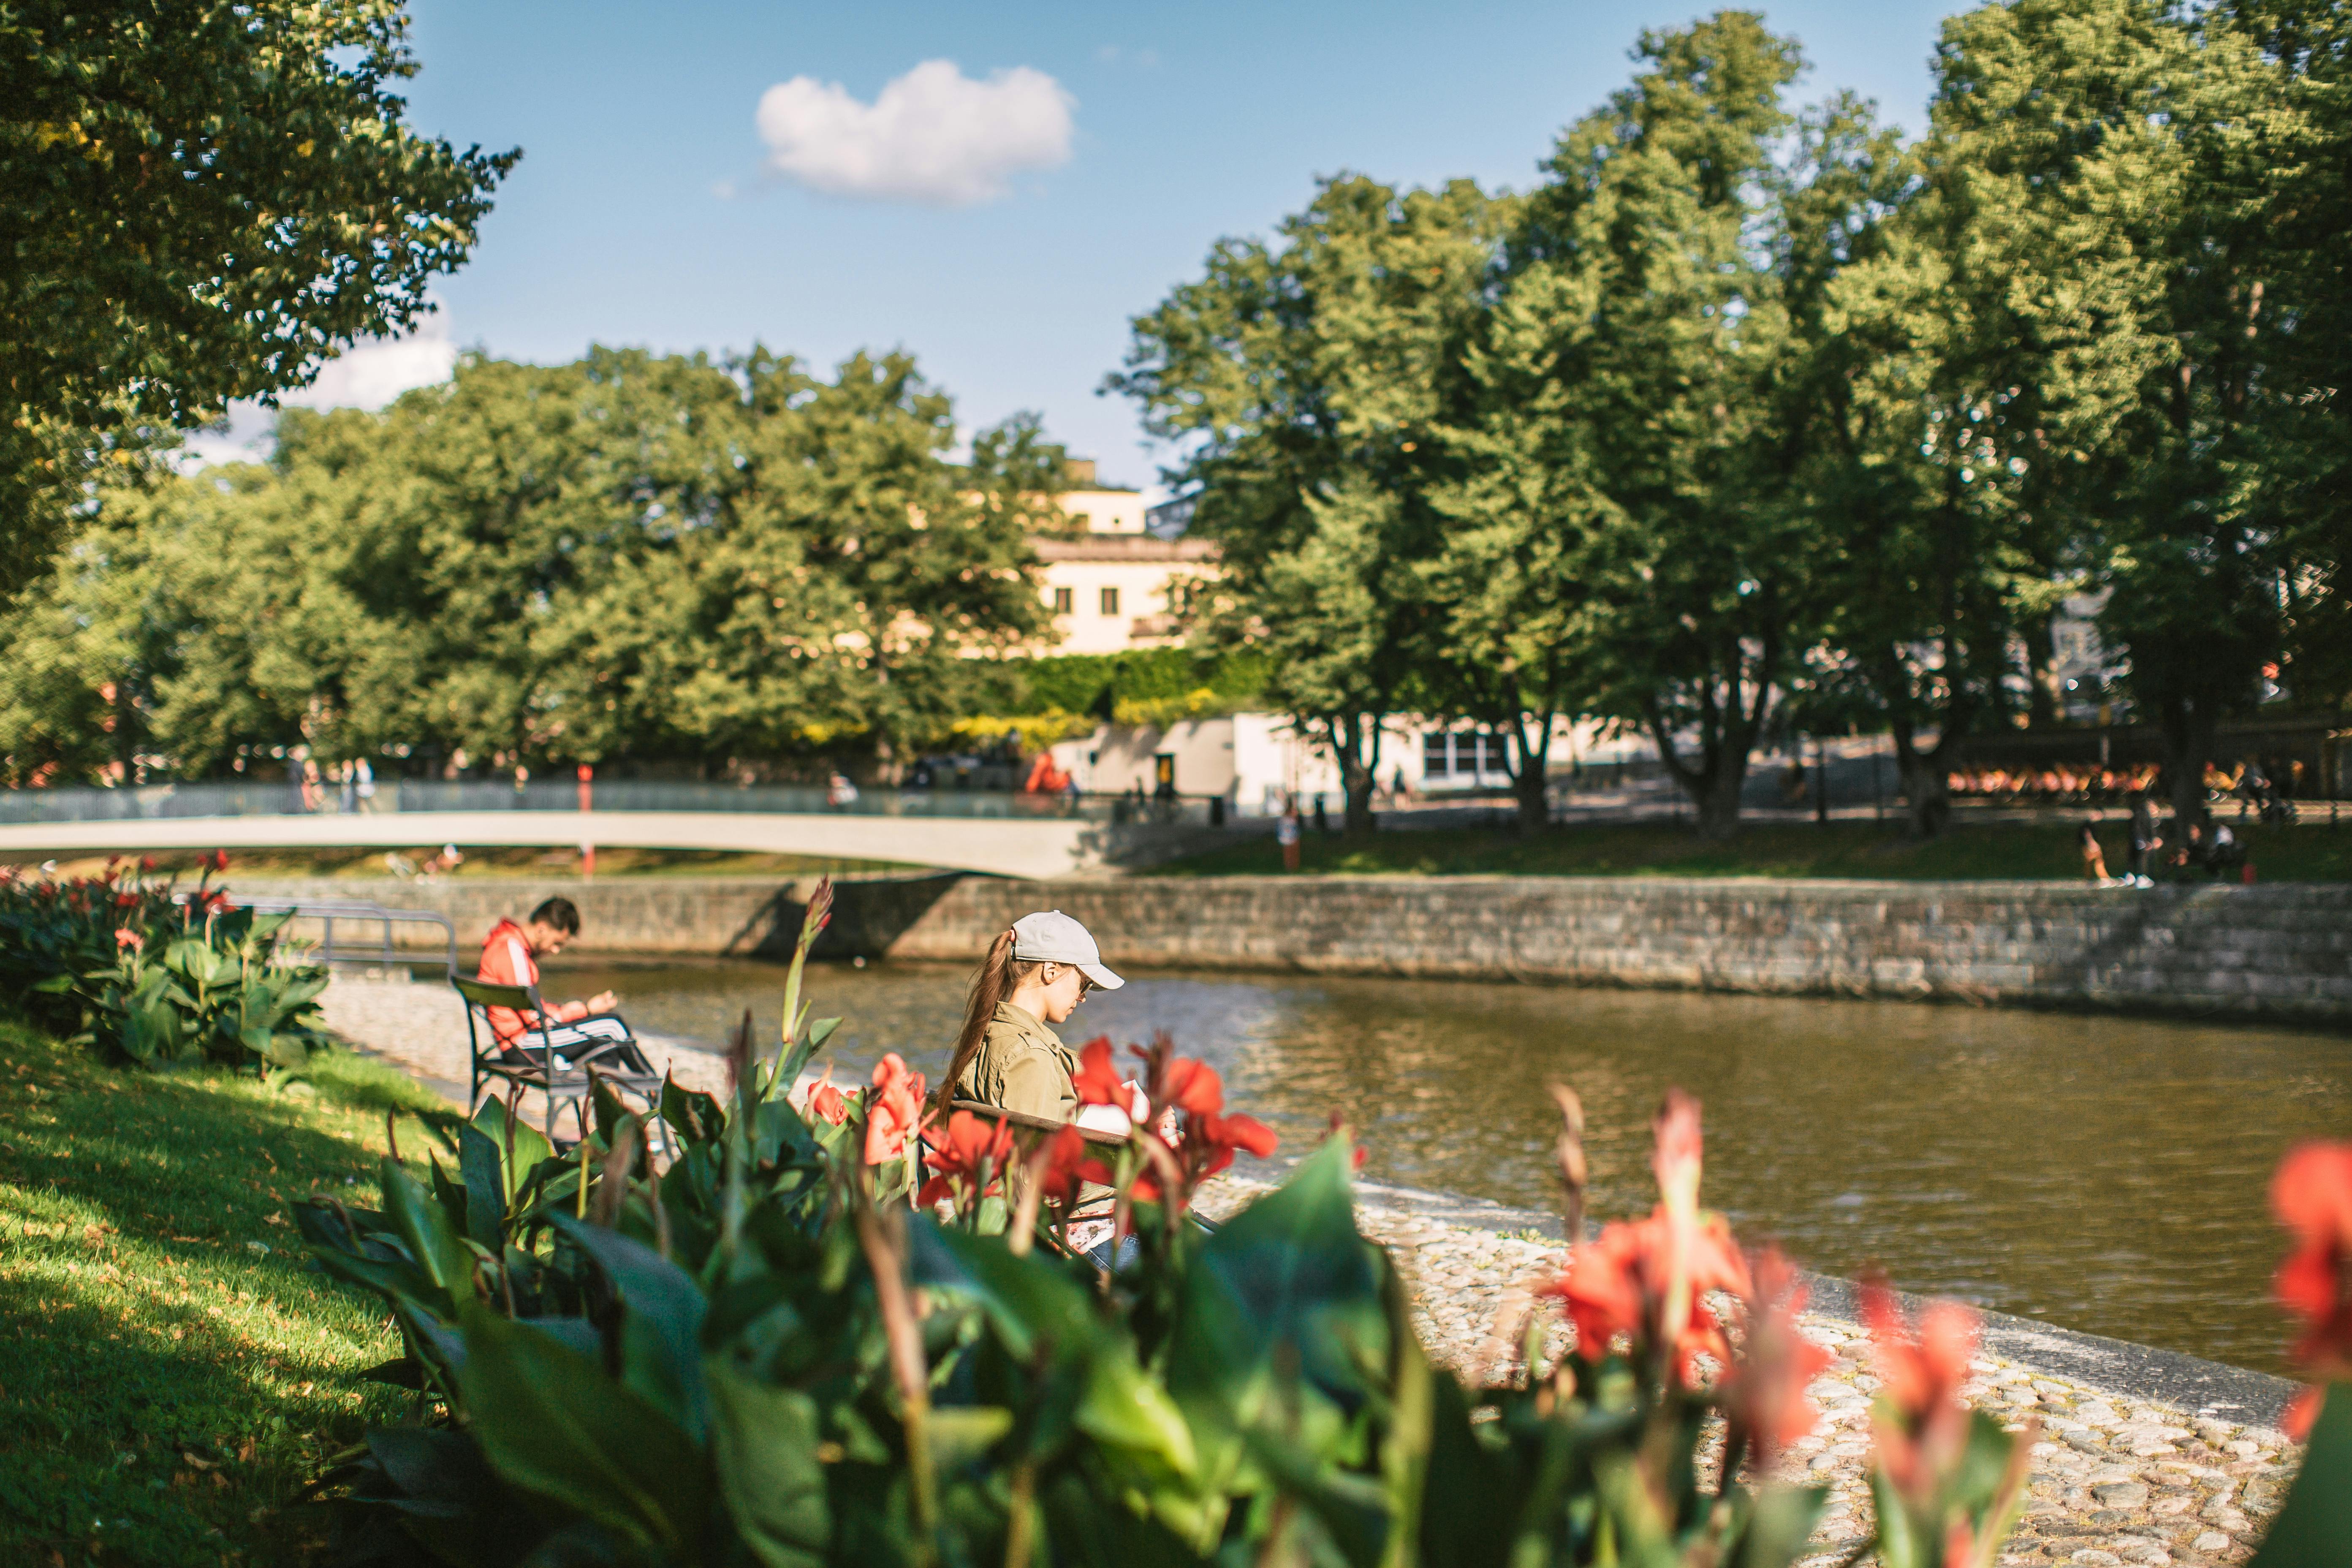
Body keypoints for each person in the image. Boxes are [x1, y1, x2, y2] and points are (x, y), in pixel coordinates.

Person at [933, 910, 1124, 1128]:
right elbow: (1032, 1157)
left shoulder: (987, 1034)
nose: (1082, 998)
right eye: (1083, 984)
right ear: (1051, 971)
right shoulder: (1032, 1059)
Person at [477, 896, 619, 1049]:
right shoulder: (512, 950)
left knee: (607, 1037)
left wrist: (571, 1011)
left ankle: (613, 1074)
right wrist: (584, 1010)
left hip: (521, 1039)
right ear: (541, 929)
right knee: (612, 1025)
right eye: (557, 943)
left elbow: (531, 1007)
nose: (556, 951)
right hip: (524, 1044)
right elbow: (533, 1016)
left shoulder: (507, 945)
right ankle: (647, 1074)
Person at [2128, 794, 2162, 888]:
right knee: (2143, 853)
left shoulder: (2156, 818)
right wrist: (2146, 842)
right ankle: (2140, 876)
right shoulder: (2142, 816)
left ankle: (2150, 876)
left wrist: (2157, 839)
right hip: (2141, 840)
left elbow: (2158, 832)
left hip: (2149, 841)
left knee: (2151, 855)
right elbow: (2138, 830)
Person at [2079, 815, 2110, 884]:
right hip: (2091, 847)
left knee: (2094, 864)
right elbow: (2088, 837)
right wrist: (2093, 846)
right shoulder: (2089, 827)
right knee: (2097, 864)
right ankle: (2103, 878)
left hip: (2090, 846)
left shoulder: (2091, 826)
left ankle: (2093, 879)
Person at [1276, 796, 1302, 872]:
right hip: (1288, 835)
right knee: (1289, 852)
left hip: (1292, 835)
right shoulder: (1288, 818)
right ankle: (1290, 867)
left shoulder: (1289, 817)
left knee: (1293, 852)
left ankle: (1293, 867)